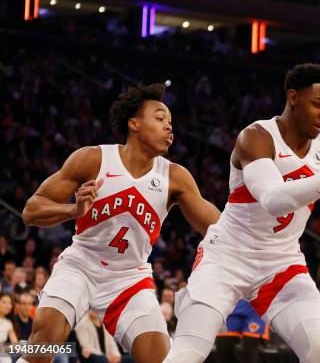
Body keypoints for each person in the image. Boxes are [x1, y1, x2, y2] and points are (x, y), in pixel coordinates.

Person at [164, 63, 320, 363]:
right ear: (293, 97)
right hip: (227, 257)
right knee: (187, 354)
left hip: (281, 263)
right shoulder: (256, 136)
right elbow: (273, 199)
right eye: (318, 103)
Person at [20, 84, 221, 363]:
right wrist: (73, 210)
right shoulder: (93, 159)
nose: (169, 127)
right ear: (134, 123)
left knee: (160, 358)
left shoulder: (175, 177)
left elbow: (219, 229)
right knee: (42, 344)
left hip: (129, 278)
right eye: (160, 118)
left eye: (171, 123)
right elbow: (31, 210)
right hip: (80, 265)